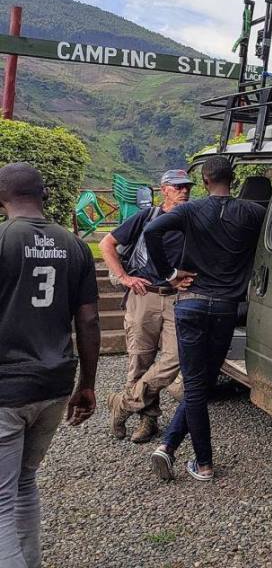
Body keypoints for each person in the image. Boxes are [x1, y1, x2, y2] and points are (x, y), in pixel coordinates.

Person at [0, 163, 99, 568]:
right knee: (24, 483)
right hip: (56, 384)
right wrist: (87, 384)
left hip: (6, 388)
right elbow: (89, 320)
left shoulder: (3, 240)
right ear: (43, 194)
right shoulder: (73, 245)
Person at [144, 156, 264, 482]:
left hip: (190, 305)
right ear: (233, 179)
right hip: (226, 308)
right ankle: (172, 449)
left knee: (196, 385)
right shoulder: (254, 213)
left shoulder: (189, 210)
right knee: (202, 384)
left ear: (206, 181)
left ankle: (200, 462)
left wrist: (168, 275)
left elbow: (151, 231)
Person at [100, 169, 192, 443]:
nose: (184, 191)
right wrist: (124, 277)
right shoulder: (148, 216)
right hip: (144, 295)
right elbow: (107, 243)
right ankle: (148, 421)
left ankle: (123, 404)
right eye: (177, 187)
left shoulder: (193, 218)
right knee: (139, 359)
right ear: (164, 189)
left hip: (178, 298)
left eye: (187, 186)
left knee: (174, 360)